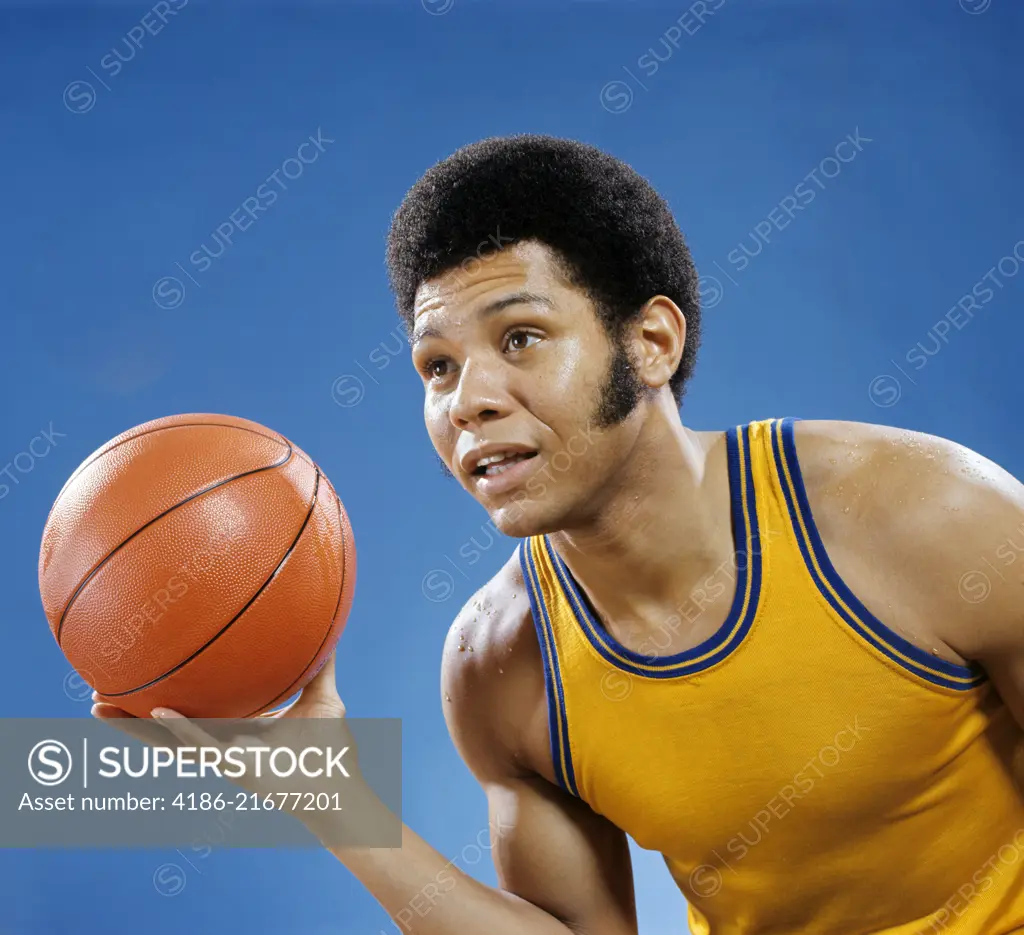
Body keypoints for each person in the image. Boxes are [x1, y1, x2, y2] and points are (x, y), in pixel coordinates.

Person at [95, 135, 1024, 934]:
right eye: (436, 365)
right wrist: (334, 804)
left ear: (652, 342)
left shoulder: (919, 513)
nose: (470, 400)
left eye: (522, 337)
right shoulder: (502, 662)